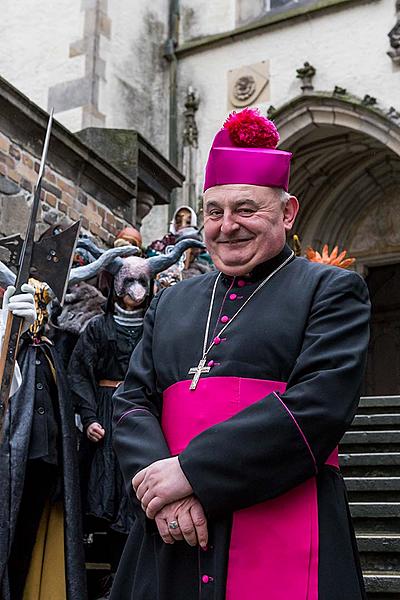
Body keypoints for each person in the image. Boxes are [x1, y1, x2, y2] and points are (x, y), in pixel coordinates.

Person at [110, 108, 370, 600]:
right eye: (214, 212)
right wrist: (161, 490)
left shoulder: (331, 290)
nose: (226, 227)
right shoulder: (172, 300)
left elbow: (319, 406)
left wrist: (190, 473)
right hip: (172, 531)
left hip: (288, 513)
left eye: (246, 209)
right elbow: (131, 403)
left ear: (288, 212)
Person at [0, 279, 87, 600]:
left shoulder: (50, 351)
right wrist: (10, 337)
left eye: (43, 306)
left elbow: (61, 405)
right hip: (11, 462)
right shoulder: (11, 346)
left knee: (27, 538)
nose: (39, 313)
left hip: (45, 463)